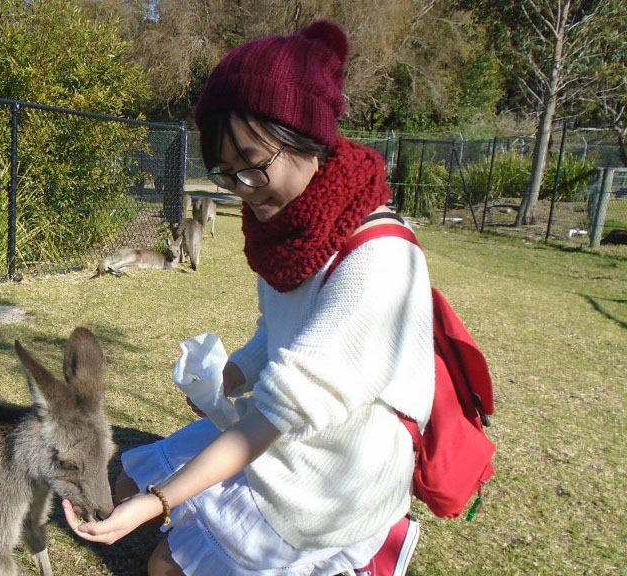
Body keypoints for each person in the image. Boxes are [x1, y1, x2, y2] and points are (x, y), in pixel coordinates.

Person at [61, 20, 435, 576]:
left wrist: (159, 503)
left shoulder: (378, 261)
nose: (242, 191)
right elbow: (280, 331)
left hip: (338, 468)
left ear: (308, 137)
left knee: (164, 562)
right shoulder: (286, 228)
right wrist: (236, 371)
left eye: (253, 165)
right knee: (126, 482)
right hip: (291, 421)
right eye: (226, 173)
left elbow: (271, 420)